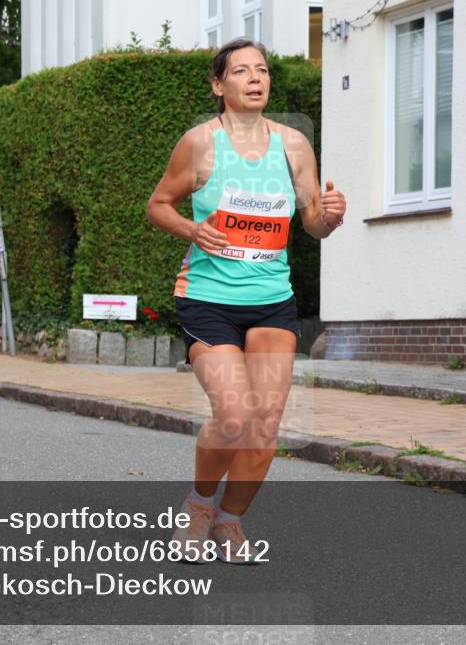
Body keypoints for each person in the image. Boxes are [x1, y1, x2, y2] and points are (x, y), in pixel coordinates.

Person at [146, 38, 345, 563]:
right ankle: (198, 506)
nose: (255, 78)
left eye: (262, 70)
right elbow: (158, 204)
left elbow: (312, 224)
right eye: (241, 71)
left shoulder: (294, 146)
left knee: (263, 427)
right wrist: (193, 228)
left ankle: (230, 522)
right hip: (208, 298)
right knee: (233, 415)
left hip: (271, 299)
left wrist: (330, 215)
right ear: (219, 84)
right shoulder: (199, 144)